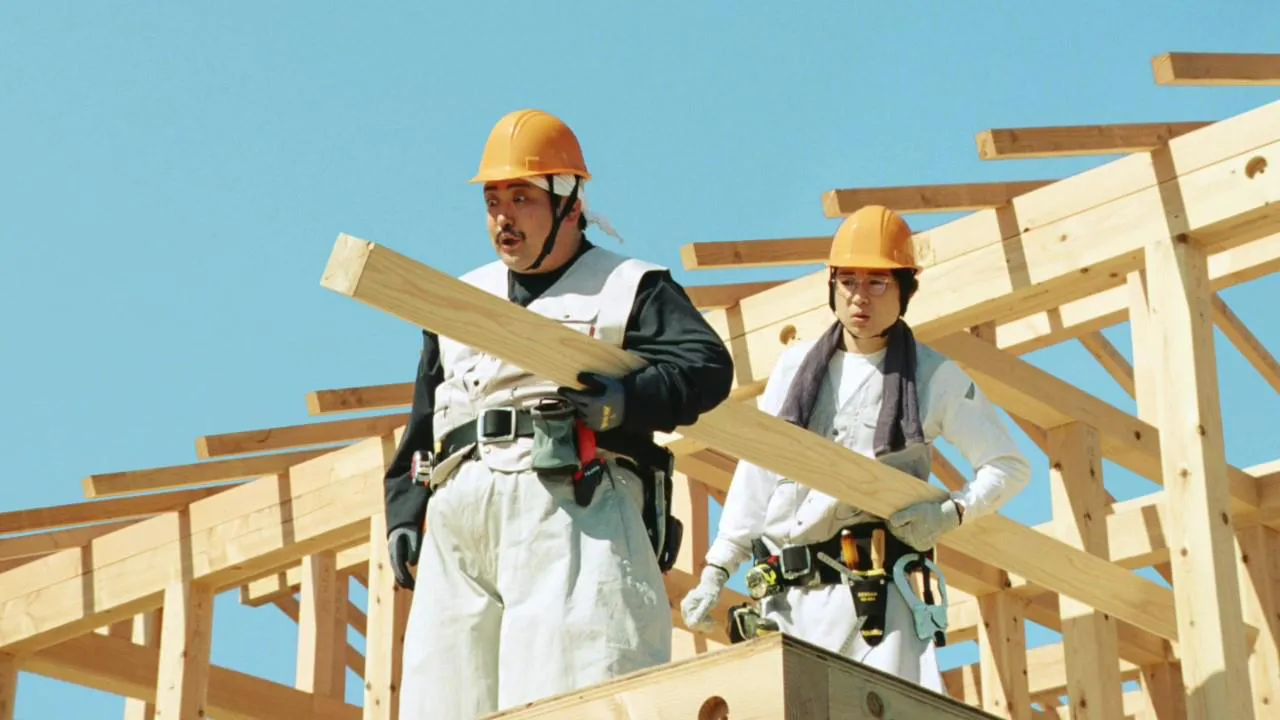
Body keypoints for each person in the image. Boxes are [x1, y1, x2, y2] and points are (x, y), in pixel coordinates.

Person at [382, 108, 735, 719]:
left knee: (570, 692)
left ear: (569, 203)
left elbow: (706, 365)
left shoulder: (628, 287)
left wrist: (626, 402)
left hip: (571, 508)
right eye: (493, 200)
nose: (503, 216)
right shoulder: (463, 302)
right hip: (462, 521)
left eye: (521, 198)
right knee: (442, 700)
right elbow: (427, 416)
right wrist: (404, 509)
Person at [678, 204, 1031, 691]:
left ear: (905, 289)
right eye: (848, 281)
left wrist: (951, 513)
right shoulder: (796, 367)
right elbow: (759, 473)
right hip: (789, 598)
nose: (859, 296)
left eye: (877, 282)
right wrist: (718, 567)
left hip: (878, 607)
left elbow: (1008, 466)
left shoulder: (932, 377)